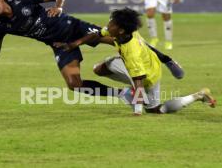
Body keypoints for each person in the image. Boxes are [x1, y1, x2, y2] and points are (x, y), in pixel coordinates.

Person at [0, 0, 180, 97]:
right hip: (59, 44)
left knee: (122, 39)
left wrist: (58, 6)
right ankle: (124, 95)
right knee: (74, 85)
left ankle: (167, 60)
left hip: (74, 27)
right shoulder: (1, 25)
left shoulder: (24, 0)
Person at [62, 8, 215, 115]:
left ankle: (198, 96)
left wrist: (137, 110)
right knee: (99, 69)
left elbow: (139, 81)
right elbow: (97, 35)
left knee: (155, 110)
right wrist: (74, 44)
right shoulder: (124, 32)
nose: (108, 25)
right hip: (145, 65)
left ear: (121, 30)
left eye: (112, 24)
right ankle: (128, 92)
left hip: (149, 77)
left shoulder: (132, 52)